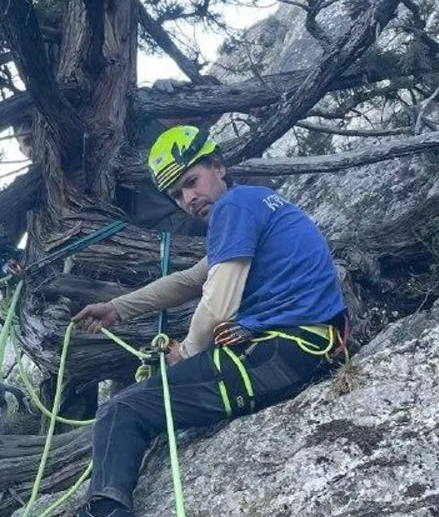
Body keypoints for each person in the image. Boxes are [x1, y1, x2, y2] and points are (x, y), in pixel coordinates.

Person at [71, 125, 349, 517]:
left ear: (218, 166)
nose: (189, 199)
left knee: (121, 411)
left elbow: (217, 304)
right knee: (133, 406)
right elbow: (191, 279)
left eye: (191, 182)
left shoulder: (234, 207)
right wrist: (118, 308)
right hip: (302, 347)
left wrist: (186, 352)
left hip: (278, 351)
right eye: (178, 194)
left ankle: (106, 512)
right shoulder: (256, 203)